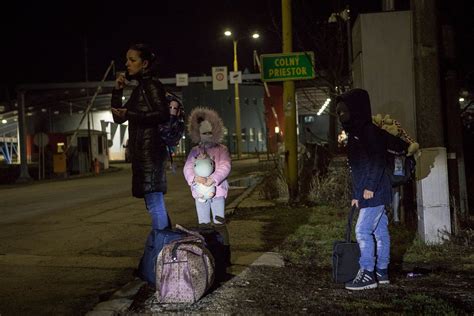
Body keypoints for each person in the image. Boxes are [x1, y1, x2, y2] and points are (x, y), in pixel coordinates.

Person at [335, 88, 392, 290]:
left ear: (356, 109)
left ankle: (367, 273)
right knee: (379, 230)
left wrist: (368, 188)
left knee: (362, 230)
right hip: (373, 189)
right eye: (339, 113)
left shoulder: (367, 131)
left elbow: (376, 160)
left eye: (345, 111)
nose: (342, 116)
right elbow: (360, 166)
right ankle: (381, 272)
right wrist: (356, 194)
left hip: (374, 189)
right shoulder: (357, 132)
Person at [110, 43, 171, 230]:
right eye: (127, 59)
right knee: (152, 203)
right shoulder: (140, 88)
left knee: (154, 203)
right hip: (143, 155)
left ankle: (162, 246)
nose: (127, 64)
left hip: (150, 154)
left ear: (144, 63)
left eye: (132, 60)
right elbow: (118, 118)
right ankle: (165, 246)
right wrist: (117, 91)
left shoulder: (151, 85)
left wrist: (129, 115)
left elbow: (162, 114)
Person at [183, 107, 232, 263]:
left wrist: (214, 179)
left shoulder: (222, 150)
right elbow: (188, 167)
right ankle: (207, 254)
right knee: (203, 224)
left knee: (219, 223)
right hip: (200, 193)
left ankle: (223, 255)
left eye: (210, 132)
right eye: (204, 133)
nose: (207, 136)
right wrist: (194, 179)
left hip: (217, 193)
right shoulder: (194, 151)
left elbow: (225, 166)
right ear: (198, 133)